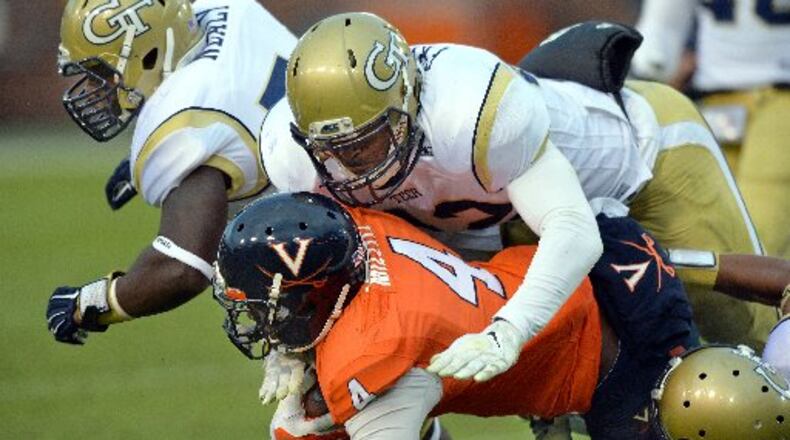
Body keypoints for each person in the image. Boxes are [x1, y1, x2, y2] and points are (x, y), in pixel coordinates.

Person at [259, 12, 776, 388]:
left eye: (369, 139)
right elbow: (321, 263)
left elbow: (572, 230)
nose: (354, 162)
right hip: (518, 221)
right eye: (333, 148)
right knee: (594, 367)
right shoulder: (292, 154)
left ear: (409, 97)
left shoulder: (474, 110)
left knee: (746, 341)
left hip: (645, 160)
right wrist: (291, 340)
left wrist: (509, 330)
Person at [212, 191, 789, 439]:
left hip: (598, 366)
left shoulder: (367, 352)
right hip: (595, 279)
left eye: (268, 305)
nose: (260, 318)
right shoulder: (355, 228)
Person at [45, 0, 295, 343]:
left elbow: (182, 268)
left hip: (334, 243)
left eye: (100, 73)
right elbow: (236, 101)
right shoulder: (220, 9)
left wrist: (90, 302)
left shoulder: (181, 125)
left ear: (149, 56)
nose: (92, 89)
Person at [632, 0, 790, 258]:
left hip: (774, 103)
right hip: (714, 102)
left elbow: (659, 38)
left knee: (759, 232)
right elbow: (661, 33)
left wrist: (651, 70)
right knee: (708, 217)